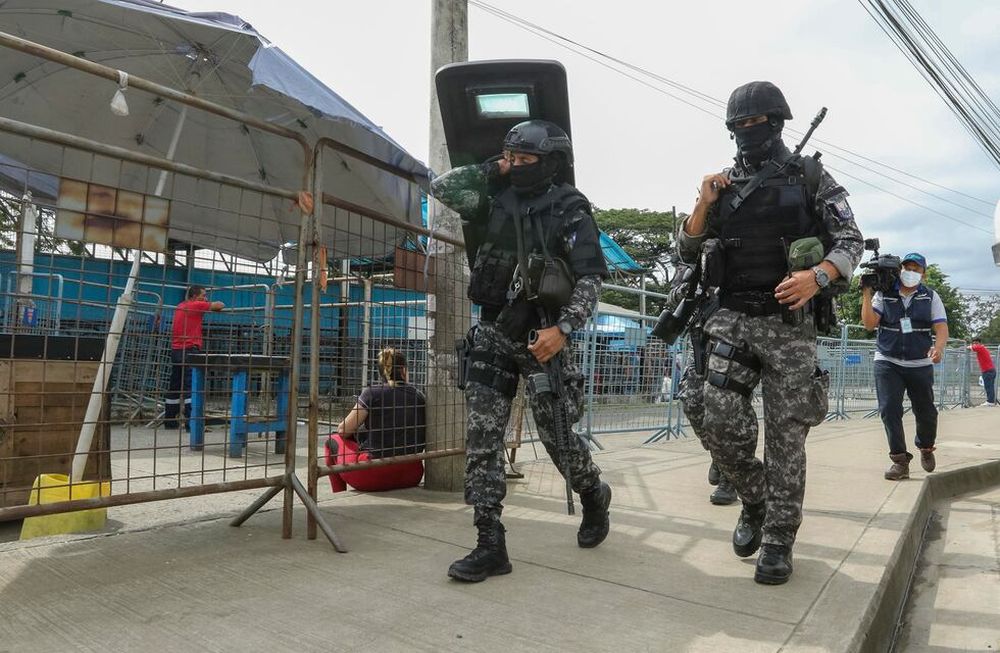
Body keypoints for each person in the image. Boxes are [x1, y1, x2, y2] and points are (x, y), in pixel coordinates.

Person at [677, 81, 864, 584]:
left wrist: (818, 275)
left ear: (777, 123)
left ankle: (779, 539)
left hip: (789, 326)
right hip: (731, 317)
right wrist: (702, 202)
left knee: (787, 439)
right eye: (738, 126)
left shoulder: (810, 175)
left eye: (755, 124)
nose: (747, 133)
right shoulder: (721, 184)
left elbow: (850, 239)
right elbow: (686, 251)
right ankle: (754, 498)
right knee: (710, 412)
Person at [431, 119, 612, 583]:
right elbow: (444, 187)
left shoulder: (571, 209)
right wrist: (498, 167)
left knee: (558, 442)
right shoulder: (493, 197)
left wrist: (565, 330)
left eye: (525, 160)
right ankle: (490, 542)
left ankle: (592, 492)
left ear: (550, 163)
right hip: (493, 333)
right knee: (481, 441)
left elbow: (590, 279)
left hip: (543, 338)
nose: (516, 167)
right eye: (511, 158)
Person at [862, 253, 949, 480]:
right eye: (907, 267)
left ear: (923, 273)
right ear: (900, 269)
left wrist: (938, 348)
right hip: (887, 360)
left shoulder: (930, 297)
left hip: (919, 362)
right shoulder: (885, 293)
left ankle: (926, 447)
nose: (911, 271)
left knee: (926, 410)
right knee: (889, 409)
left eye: (916, 269)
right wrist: (866, 293)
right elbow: (870, 324)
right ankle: (899, 461)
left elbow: (941, 328)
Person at [325, 348, 426, 492]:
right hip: (411, 474)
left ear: (381, 372)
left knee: (332, 440)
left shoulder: (372, 393)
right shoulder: (418, 396)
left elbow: (343, 430)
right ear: (403, 370)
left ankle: (338, 494)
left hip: (372, 475)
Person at [165, 285, 223, 429]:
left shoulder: (181, 306)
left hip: (176, 350)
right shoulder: (196, 305)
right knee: (192, 385)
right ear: (194, 296)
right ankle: (192, 423)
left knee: (175, 385)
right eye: (203, 295)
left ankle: (170, 421)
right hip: (190, 349)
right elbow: (219, 305)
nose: (205, 298)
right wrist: (208, 303)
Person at [969, 337, 997, 405]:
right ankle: (991, 401)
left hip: (988, 371)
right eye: (974, 343)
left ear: (980, 343)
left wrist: (969, 346)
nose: (975, 344)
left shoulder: (980, 348)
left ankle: (990, 401)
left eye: (976, 343)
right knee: (990, 386)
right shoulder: (981, 348)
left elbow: (971, 348)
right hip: (989, 370)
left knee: (988, 386)